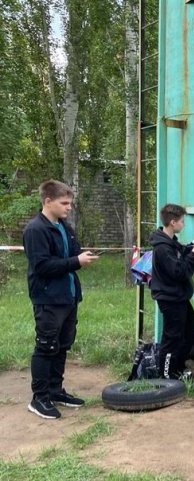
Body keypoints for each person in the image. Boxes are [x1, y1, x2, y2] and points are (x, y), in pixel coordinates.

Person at [23, 180, 99, 419]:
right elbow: (42, 265)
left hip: (68, 296)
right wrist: (76, 262)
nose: (69, 208)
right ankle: (39, 398)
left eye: (70, 203)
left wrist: (81, 256)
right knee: (45, 347)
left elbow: (71, 253)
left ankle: (55, 391)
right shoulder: (35, 230)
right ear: (48, 201)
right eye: (64, 203)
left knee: (62, 345)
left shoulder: (64, 226)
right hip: (48, 298)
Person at [148, 204, 194, 380]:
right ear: (173, 222)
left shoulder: (169, 241)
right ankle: (165, 376)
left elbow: (178, 254)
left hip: (179, 296)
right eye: (182, 221)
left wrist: (189, 247)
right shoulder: (162, 247)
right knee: (172, 338)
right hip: (170, 298)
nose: (184, 224)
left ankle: (177, 370)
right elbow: (179, 272)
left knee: (189, 334)